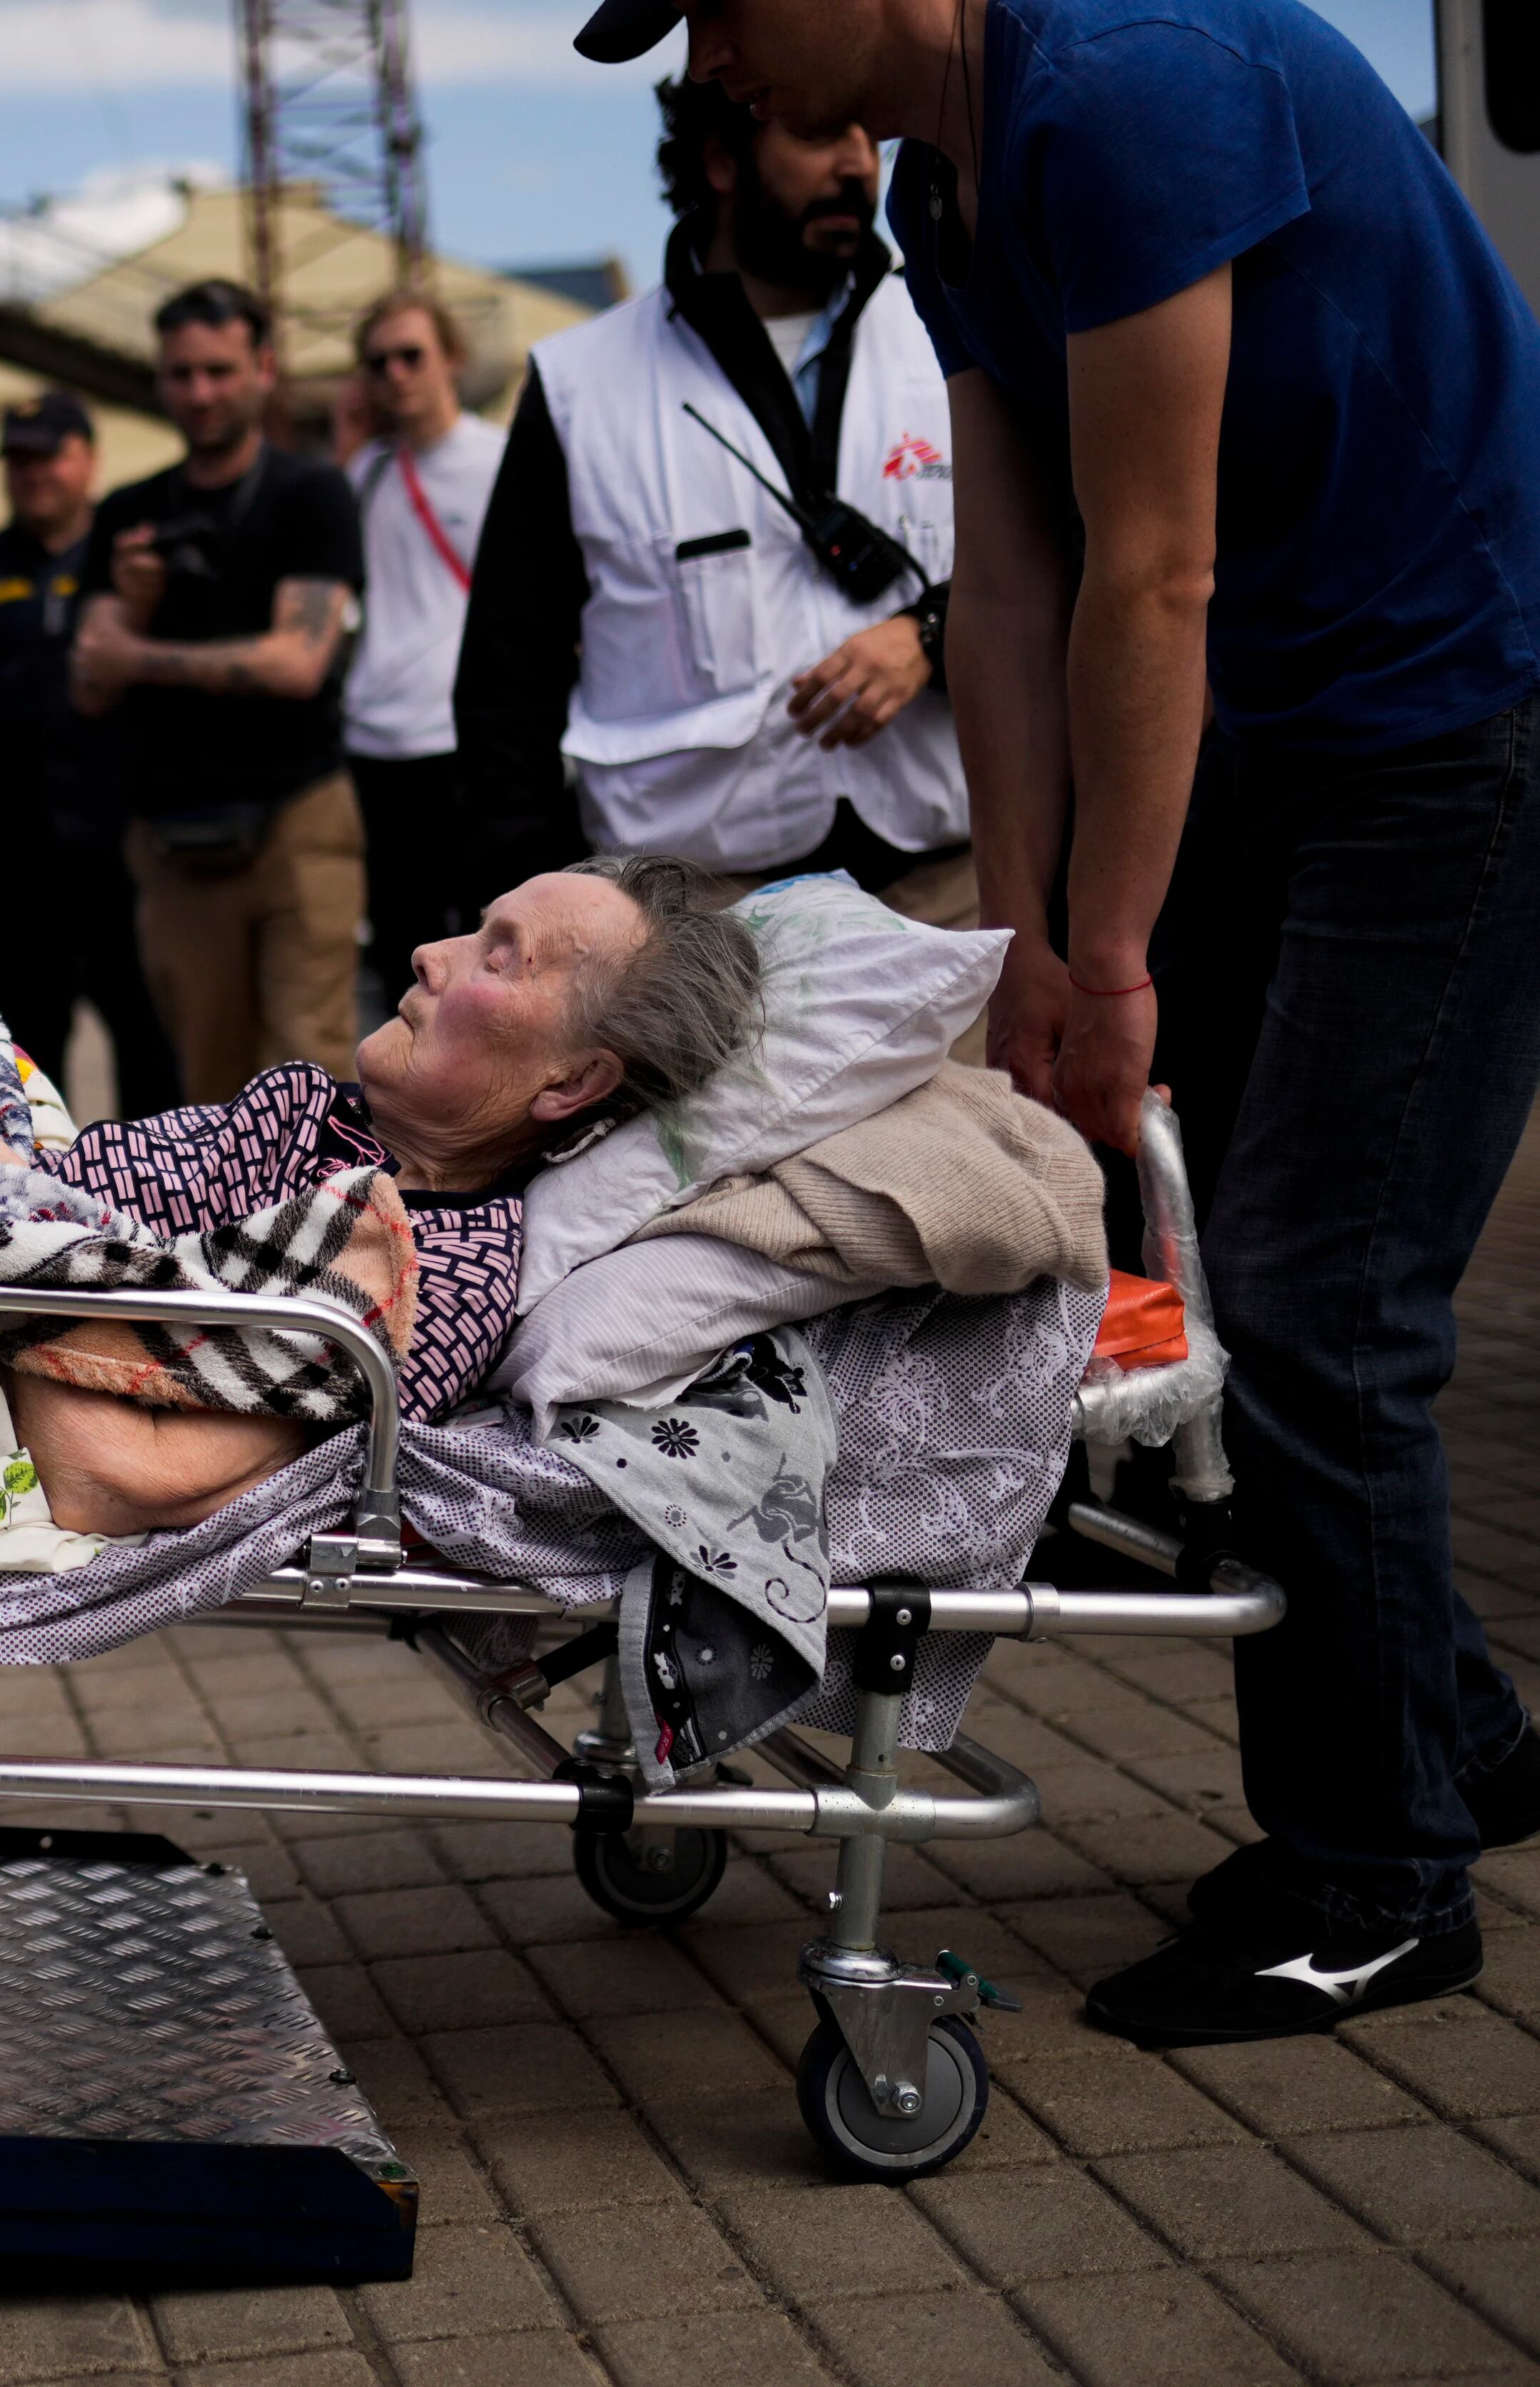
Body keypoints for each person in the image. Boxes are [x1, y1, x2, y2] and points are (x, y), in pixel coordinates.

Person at [587, 0, 1540, 2045]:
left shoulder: (1126, 86)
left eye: (730, 9)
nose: (720, 69)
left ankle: (1381, 1872)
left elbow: (1158, 573)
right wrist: (1028, 941)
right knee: (1266, 1288)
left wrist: (1113, 958)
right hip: (1302, 724)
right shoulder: (954, 173)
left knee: (1317, 1300)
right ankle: (1459, 1733)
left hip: (1460, 710)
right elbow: (1010, 583)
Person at [0, 854, 762, 1530]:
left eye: (497, 958)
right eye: (473, 927)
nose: (427, 955)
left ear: (569, 1084)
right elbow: (88, 1185)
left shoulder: (434, 1269)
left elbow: (114, 1477)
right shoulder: (306, 1111)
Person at [454, 75, 967, 928]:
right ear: (721, 161)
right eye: (817, 134)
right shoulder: (577, 383)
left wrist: (929, 635)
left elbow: (1058, 558)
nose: (855, 166)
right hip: (697, 925)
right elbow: (508, 684)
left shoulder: (948, 328)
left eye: (866, 138)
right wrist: (532, 919)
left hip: (948, 890)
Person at [70, 281, 367, 1106]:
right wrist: (129, 605)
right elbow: (91, 678)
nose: (199, 393)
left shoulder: (310, 493)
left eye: (218, 370)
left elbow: (296, 664)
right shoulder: (130, 514)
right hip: (172, 843)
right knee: (206, 1084)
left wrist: (142, 651)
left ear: (263, 369)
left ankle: (332, 1234)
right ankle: (230, 1239)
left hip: (296, 820)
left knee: (309, 1073)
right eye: (180, 374)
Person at [0, 388, 181, 1116]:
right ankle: (44, 1208)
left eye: (47, 455)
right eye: (15, 459)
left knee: (150, 1041)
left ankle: (155, 1200)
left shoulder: (133, 562)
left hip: (127, 852)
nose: (31, 473)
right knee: (24, 1061)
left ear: (87, 459)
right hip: (19, 856)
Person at [337, 290, 508, 993]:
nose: (395, 374)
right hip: (377, 741)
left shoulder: (497, 458)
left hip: (466, 734)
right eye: (378, 363)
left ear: (453, 360)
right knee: (401, 957)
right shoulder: (366, 470)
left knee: (492, 946)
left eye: (411, 355)